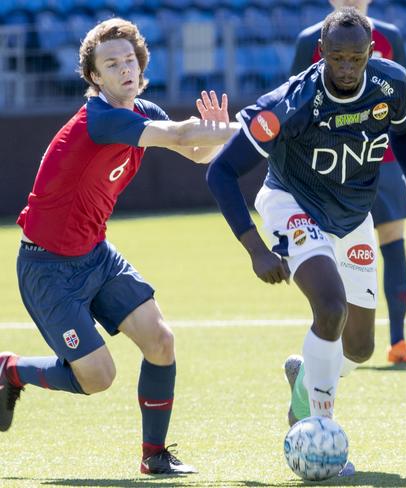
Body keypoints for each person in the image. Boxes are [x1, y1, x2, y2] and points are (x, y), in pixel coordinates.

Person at [206, 7, 406, 475]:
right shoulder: (290, 103)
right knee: (330, 308)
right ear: (322, 53)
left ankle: (304, 380)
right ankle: (318, 432)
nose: (347, 68)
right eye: (337, 57)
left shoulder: (390, 84)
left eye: (356, 58)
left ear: (371, 53)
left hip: (353, 217)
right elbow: (221, 172)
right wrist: (255, 248)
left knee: (359, 348)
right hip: (291, 205)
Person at [0, 18, 238, 475]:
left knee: (160, 341)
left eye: (129, 59)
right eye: (112, 63)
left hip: (95, 254)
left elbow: (194, 151)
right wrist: (241, 128)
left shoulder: (140, 109)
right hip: (46, 268)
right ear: (95, 77)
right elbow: (182, 136)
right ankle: (10, 370)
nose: (125, 68)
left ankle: (155, 457)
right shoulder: (101, 119)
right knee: (97, 378)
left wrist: (212, 134)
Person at [291, 0, 406, 365]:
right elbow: (291, 102)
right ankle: (333, 340)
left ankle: (399, 342)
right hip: (327, 167)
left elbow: (405, 102)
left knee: (393, 240)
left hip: (381, 159)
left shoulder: (390, 37)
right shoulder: (311, 40)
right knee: (332, 253)